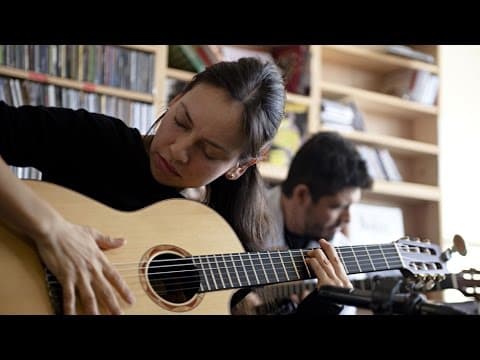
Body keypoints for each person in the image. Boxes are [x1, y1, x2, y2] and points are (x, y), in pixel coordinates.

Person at [0, 57, 352, 315]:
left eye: (209, 151)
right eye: (181, 121)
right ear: (176, 98)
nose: (177, 150)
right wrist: (52, 231)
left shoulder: (223, 235)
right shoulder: (97, 141)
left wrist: (325, 305)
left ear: (240, 167)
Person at [233, 131, 373, 315]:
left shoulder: (345, 260)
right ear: (302, 194)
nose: (348, 218)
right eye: (337, 206)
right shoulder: (236, 219)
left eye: (351, 206)